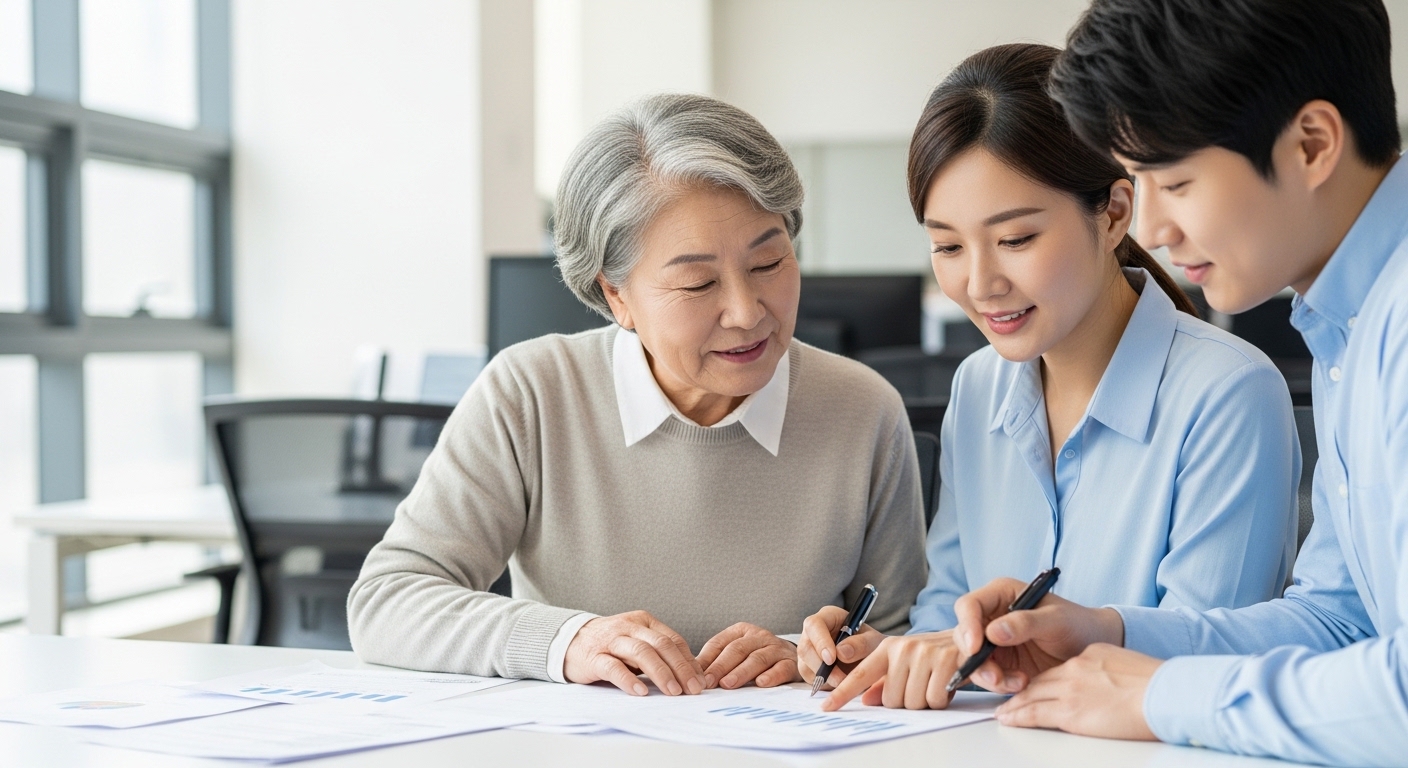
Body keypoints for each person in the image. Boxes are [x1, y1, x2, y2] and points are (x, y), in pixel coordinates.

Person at [908, 1, 1408, 764]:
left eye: (1174, 183)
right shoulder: (1347, 328)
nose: (1156, 229)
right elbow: (1342, 622)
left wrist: (1157, 696)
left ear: (1312, 144)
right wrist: (1109, 634)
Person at [347, 93, 927, 698]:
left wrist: (806, 655)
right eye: (698, 282)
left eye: (769, 262)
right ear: (616, 296)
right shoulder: (532, 392)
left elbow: (902, 633)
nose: (746, 311)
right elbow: (389, 602)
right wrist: (571, 641)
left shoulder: (863, 409)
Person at [798, 42, 1302, 711]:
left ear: (1114, 213)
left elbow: (1207, 664)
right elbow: (947, 612)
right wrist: (887, 655)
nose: (980, 284)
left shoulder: (1229, 393)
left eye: (1015, 240)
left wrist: (979, 657)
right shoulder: (978, 390)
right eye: (947, 246)